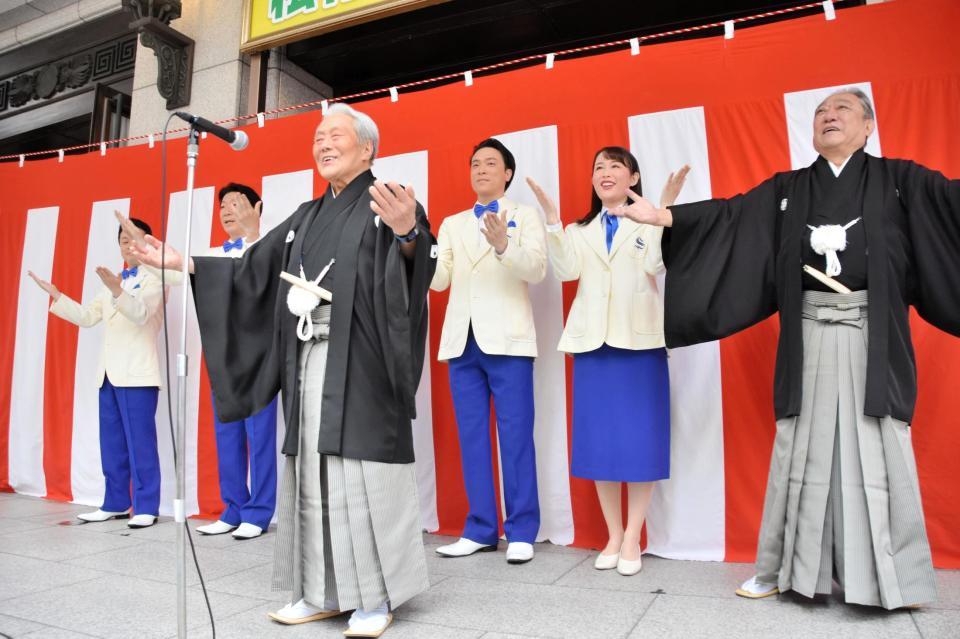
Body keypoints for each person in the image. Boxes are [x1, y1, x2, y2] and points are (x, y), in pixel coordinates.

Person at [613, 88, 959, 609]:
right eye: (821, 112)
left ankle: (894, 577)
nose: (829, 117)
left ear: (868, 127)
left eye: (842, 110)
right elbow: (734, 219)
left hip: (874, 336)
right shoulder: (789, 189)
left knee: (879, 449)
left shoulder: (901, 181)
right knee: (801, 451)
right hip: (811, 333)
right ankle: (784, 568)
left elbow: (951, 205)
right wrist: (666, 219)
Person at [121, 102, 436, 637]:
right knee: (311, 476)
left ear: (367, 148)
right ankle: (319, 591)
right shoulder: (307, 218)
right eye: (318, 137)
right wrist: (185, 263)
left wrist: (409, 234)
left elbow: (415, 266)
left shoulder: (389, 202)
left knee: (359, 476)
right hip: (308, 354)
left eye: (336, 135)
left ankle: (376, 596)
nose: (324, 144)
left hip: (361, 361)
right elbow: (252, 267)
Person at [527, 147, 687, 576]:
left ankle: (634, 534)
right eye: (598, 166)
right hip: (593, 344)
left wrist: (663, 211)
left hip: (641, 341)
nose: (605, 172)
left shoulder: (647, 218)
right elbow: (565, 271)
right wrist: (552, 222)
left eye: (615, 165)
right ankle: (613, 534)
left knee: (641, 441)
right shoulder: (581, 229)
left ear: (633, 176)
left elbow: (656, 262)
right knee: (600, 442)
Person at [431, 138, 546, 564]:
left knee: (516, 437)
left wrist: (503, 246)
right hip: (463, 342)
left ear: (507, 173)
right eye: (475, 163)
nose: (480, 169)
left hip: (509, 342)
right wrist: (408, 245)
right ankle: (480, 527)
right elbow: (439, 280)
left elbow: (536, 269)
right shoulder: (452, 223)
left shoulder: (524, 216)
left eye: (490, 163)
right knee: (473, 438)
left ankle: (521, 530)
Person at [28, 218, 168, 529]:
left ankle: (147, 506)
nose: (129, 245)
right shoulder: (112, 281)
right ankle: (116, 503)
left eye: (134, 239)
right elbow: (88, 317)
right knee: (112, 444)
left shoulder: (156, 279)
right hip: (108, 375)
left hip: (137, 376)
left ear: (147, 243)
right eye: (123, 240)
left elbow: (141, 315)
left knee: (141, 444)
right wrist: (57, 296)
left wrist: (118, 290)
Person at [195, 183, 278, 541]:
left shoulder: (272, 246)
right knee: (227, 435)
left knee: (259, 437)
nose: (228, 210)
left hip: (260, 359)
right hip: (224, 357)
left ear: (256, 207)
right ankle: (232, 507)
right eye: (223, 205)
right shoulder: (210, 254)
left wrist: (255, 235)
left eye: (236, 203)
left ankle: (258, 513)